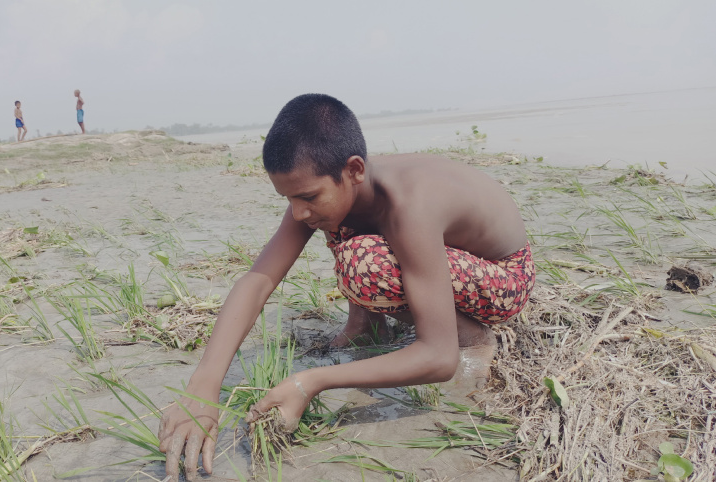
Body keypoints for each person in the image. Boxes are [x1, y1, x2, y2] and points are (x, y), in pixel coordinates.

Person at [156, 93, 535, 479]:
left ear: (354, 169)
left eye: (306, 196)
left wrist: (310, 381)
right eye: (288, 198)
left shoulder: (410, 204)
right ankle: (366, 323)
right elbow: (258, 281)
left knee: (364, 262)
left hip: (502, 277)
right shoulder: (334, 186)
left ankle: (473, 337)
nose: (298, 211)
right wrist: (202, 388)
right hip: (439, 252)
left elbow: (439, 359)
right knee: (340, 223)